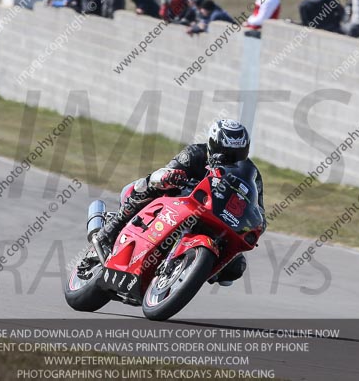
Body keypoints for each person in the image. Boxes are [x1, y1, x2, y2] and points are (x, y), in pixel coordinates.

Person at [93, 119, 265, 286]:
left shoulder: (252, 175)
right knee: (149, 184)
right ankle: (111, 228)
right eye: (225, 152)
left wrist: (258, 223)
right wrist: (170, 176)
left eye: (237, 154)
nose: (230, 158)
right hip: (180, 199)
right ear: (213, 144)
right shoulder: (194, 154)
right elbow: (163, 172)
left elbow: (258, 209)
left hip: (217, 217)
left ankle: (192, 270)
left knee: (236, 267)